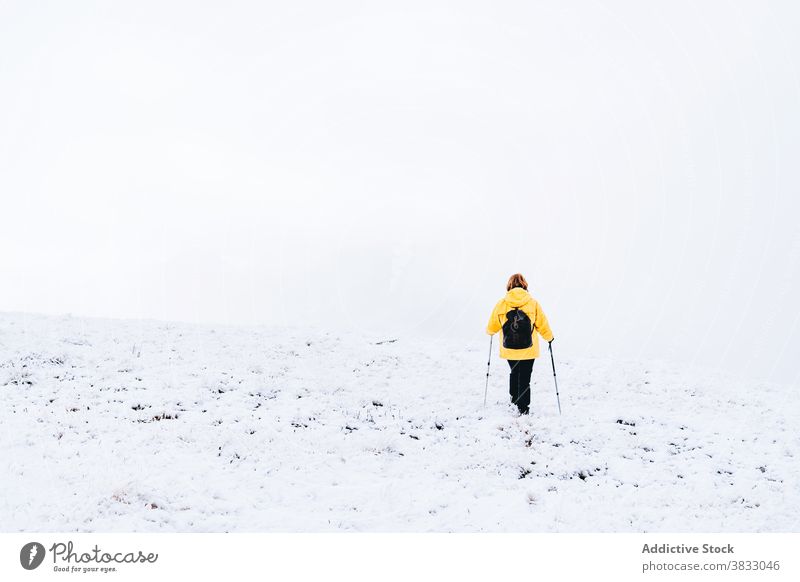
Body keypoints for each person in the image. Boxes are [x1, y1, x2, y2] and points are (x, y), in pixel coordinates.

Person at [486, 273, 554, 415]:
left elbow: (492, 326)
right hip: (529, 349)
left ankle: (514, 398)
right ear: (524, 285)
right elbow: (542, 323)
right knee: (524, 376)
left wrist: (490, 331)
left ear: (509, 285)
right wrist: (549, 337)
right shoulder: (533, 303)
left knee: (514, 371)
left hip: (509, 348)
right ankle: (523, 408)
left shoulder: (501, 304)